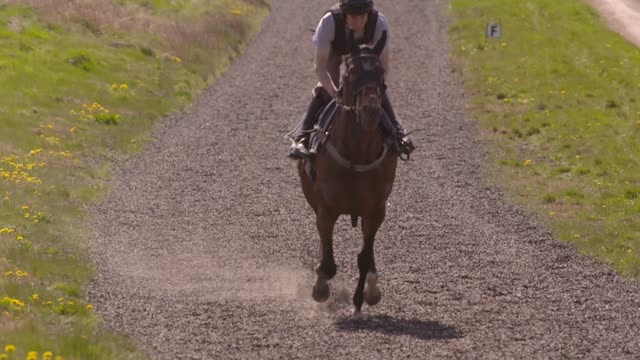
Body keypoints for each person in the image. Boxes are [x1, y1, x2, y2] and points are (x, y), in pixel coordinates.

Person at [288, 0, 415, 159]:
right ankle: (301, 138)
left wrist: (374, 91)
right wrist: (335, 94)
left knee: (373, 88)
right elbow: (320, 68)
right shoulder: (328, 22)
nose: (359, 22)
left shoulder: (380, 23)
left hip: (365, 51)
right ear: (344, 15)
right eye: (353, 17)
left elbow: (384, 68)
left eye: (363, 16)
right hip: (334, 50)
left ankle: (398, 133)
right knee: (324, 89)